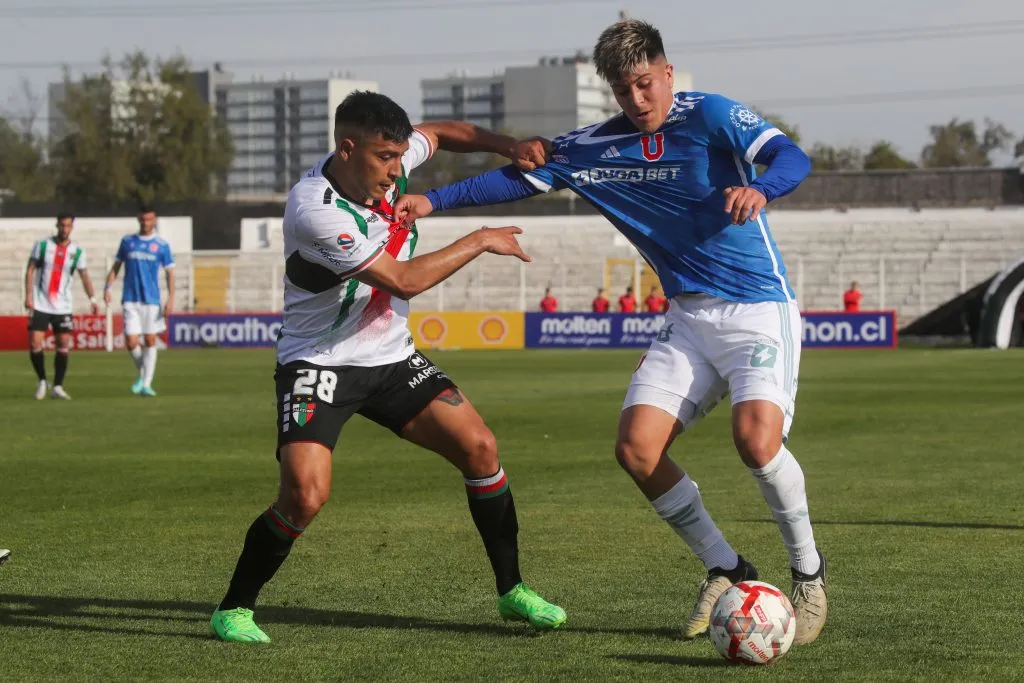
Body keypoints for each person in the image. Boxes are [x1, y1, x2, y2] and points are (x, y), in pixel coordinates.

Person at [395, 19, 827, 645]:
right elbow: (517, 178)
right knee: (637, 450)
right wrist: (433, 203)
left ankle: (809, 575)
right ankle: (727, 568)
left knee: (756, 442)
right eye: (624, 90)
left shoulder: (712, 116)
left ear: (668, 73)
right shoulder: (594, 146)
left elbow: (793, 156)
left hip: (758, 307)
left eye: (646, 83)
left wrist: (760, 189)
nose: (638, 99)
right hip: (687, 316)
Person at [209, 91, 565, 644]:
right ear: (348, 148)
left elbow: (443, 133)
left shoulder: (383, 165)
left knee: (481, 449)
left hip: (392, 358)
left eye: (401, 157)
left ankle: (512, 591)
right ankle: (233, 607)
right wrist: (479, 239)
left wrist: (507, 145)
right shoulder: (315, 207)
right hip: (319, 361)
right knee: (304, 496)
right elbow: (403, 280)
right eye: (385, 158)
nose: (397, 170)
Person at [24, 213, 100, 400]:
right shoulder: (42, 246)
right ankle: (42, 380)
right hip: (41, 303)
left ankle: (57, 386)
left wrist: (93, 299)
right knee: (35, 342)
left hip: (63, 306)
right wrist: (28, 296)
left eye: (68, 226)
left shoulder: (78, 252)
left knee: (63, 344)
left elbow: (84, 276)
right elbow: (30, 269)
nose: (65, 229)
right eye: (62, 226)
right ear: (57, 225)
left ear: (72, 227)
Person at [104, 207, 175, 397]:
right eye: (142, 220)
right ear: (138, 220)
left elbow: (170, 273)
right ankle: (143, 374)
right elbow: (116, 267)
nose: (145, 223)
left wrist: (170, 299)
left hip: (151, 299)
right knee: (131, 341)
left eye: (149, 220)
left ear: (155, 220)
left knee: (150, 339)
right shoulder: (128, 242)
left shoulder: (161, 245)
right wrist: (107, 288)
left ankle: (146, 384)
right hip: (130, 298)